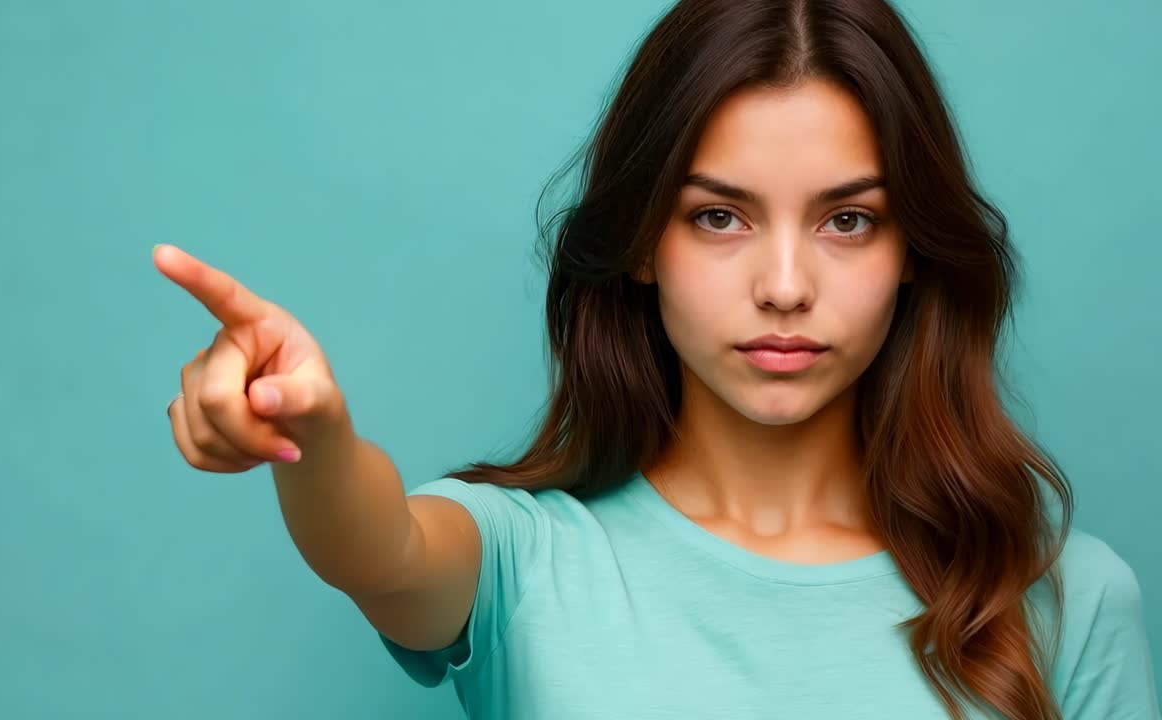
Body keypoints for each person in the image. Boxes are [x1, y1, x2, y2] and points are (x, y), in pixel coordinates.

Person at [153, 0, 1160, 717]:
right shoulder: (522, 562)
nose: (782, 284)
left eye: (846, 220)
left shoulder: (1063, 599)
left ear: (911, 254)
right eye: (718, 216)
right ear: (641, 242)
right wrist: (312, 436)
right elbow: (376, 549)